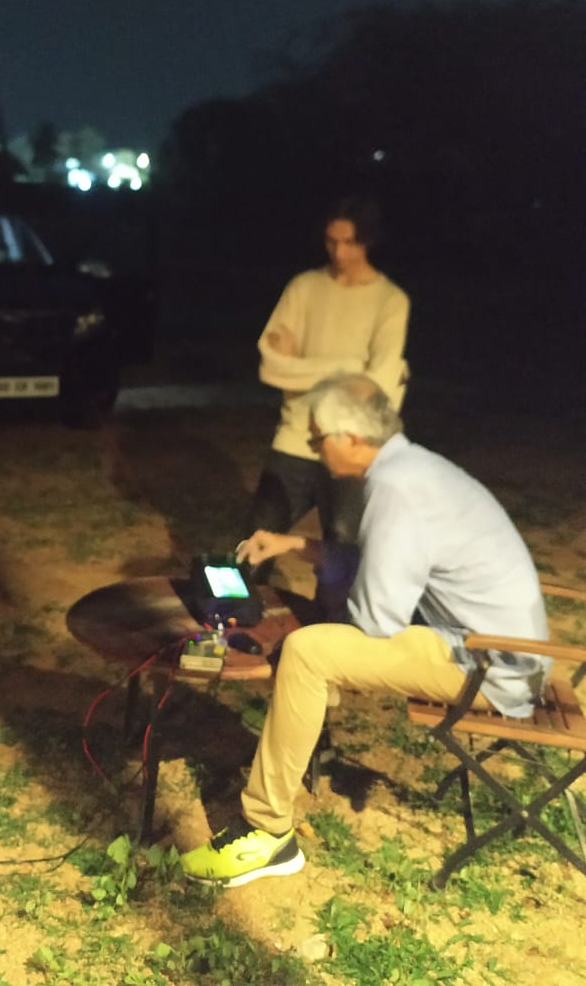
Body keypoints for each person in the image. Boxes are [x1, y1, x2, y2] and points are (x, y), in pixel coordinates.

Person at [181, 374, 551, 888]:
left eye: (317, 439)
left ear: (348, 438)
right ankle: (294, 768)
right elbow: (372, 561)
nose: (312, 450)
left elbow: (377, 621)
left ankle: (269, 835)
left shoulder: (397, 491)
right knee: (316, 644)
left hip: (491, 667)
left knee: (310, 652)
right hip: (499, 650)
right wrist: (293, 546)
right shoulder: (412, 469)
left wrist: (309, 637)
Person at [250, 197, 409, 547]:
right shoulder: (303, 288)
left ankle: (330, 606)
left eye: (350, 243)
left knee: (342, 549)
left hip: (350, 445)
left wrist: (300, 369)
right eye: (331, 242)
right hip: (294, 436)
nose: (339, 253)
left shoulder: (390, 301)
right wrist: (351, 367)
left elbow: (378, 388)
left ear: (368, 241)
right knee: (256, 538)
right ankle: (234, 604)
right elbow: (271, 367)